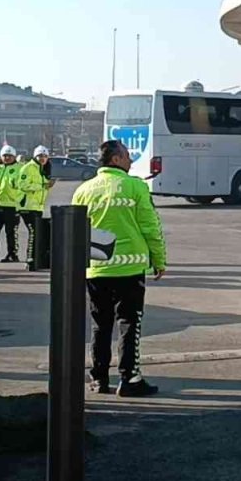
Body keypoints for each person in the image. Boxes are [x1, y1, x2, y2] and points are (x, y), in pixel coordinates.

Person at [72, 139, 166, 397]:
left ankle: (99, 379)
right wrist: (159, 259)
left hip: (96, 269)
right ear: (115, 160)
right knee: (129, 323)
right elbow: (150, 227)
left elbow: (77, 231)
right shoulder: (135, 186)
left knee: (100, 326)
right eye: (126, 156)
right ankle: (130, 379)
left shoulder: (83, 190)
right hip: (129, 268)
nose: (131, 160)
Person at [17, 146, 55, 270]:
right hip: (27, 207)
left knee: (38, 233)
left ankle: (37, 259)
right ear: (35, 156)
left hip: (37, 207)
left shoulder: (43, 169)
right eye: (40, 156)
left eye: (45, 156)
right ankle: (30, 260)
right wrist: (42, 185)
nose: (43, 158)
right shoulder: (28, 168)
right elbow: (23, 185)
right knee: (34, 232)